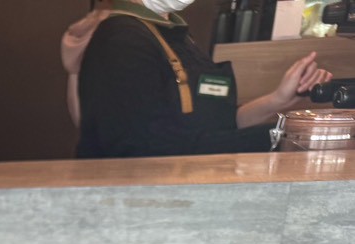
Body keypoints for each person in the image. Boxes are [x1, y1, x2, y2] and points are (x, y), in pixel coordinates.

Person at [66, 0, 331, 157]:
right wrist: (281, 137)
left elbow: (216, 123)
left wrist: (277, 100)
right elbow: (147, 148)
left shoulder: (175, 36)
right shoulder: (122, 40)